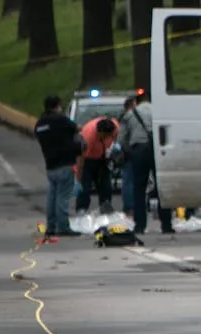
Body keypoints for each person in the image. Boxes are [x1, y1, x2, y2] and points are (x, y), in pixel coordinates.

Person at [119, 92, 175, 234]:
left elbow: (122, 140)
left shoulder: (130, 115)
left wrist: (129, 152)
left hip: (138, 151)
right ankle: (166, 224)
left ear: (136, 102)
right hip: (156, 150)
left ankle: (140, 225)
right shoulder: (158, 112)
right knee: (161, 187)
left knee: (139, 189)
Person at [34, 96, 84, 239]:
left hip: (50, 165)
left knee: (52, 197)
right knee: (63, 197)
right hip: (65, 163)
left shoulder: (40, 124)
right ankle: (63, 227)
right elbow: (76, 128)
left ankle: (51, 227)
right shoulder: (60, 120)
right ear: (57, 106)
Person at [75, 116, 119, 214]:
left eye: (107, 136)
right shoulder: (88, 136)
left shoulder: (114, 127)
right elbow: (81, 157)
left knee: (106, 186)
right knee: (85, 188)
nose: (104, 138)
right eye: (102, 136)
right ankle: (81, 210)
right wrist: (78, 176)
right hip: (88, 160)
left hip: (102, 158)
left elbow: (115, 138)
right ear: (99, 132)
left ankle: (106, 208)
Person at [117, 96, 138, 214]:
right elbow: (122, 137)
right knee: (129, 180)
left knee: (129, 180)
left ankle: (130, 205)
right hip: (130, 151)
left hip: (128, 150)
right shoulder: (128, 117)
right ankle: (129, 206)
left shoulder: (125, 117)